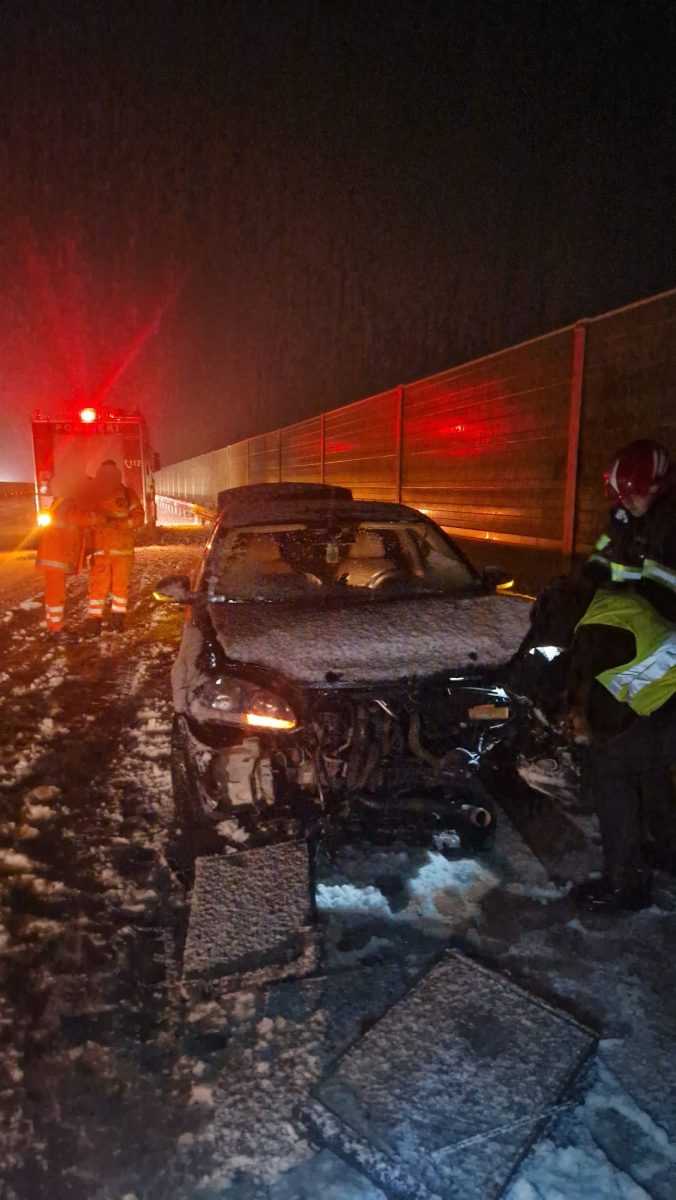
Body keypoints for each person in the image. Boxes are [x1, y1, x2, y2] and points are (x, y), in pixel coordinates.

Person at [567, 585, 676, 912]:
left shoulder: (597, 632)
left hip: (669, 704)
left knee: (612, 772)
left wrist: (594, 738)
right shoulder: (617, 604)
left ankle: (625, 887)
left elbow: (610, 717)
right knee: (649, 766)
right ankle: (670, 850)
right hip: (667, 700)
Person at [584, 439, 676, 621]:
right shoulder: (624, 518)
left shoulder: (669, 525)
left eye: (633, 494)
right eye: (621, 496)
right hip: (624, 615)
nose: (626, 502)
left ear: (657, 487)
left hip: (662, 629)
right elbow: (604, 549)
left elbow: (661, 591)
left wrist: (625, 596)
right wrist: (587, 578)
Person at [35, 474, 99, 638]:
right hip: (57, 557)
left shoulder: (61, 501)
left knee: (52, 592)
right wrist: (95, 516)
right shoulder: (69, 503)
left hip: (52, 556)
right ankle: (57, 630)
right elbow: (79, 519)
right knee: (57, 593)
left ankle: (52, 626)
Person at [86, 460, 144, 634]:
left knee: (115, 587)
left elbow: (139, 517)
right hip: (104, 550)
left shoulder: (127, 494)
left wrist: (122, 524)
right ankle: (97, 622)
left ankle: (112, 621)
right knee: (101, 587)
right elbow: (84, 518)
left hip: (118, 550)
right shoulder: (93, 494)